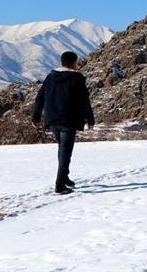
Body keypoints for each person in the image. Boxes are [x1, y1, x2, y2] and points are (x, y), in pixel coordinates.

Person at [32, 51, 95, 195]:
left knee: (62, 149)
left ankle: (65, 177)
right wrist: (90, 119)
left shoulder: (50, 77)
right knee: (66, 152)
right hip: (69, 119)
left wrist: (36, 116)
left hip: (53, 119)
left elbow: (40, 98)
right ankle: (60, 186)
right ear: (74, 62)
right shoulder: (77, 78)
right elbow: (84, 100)